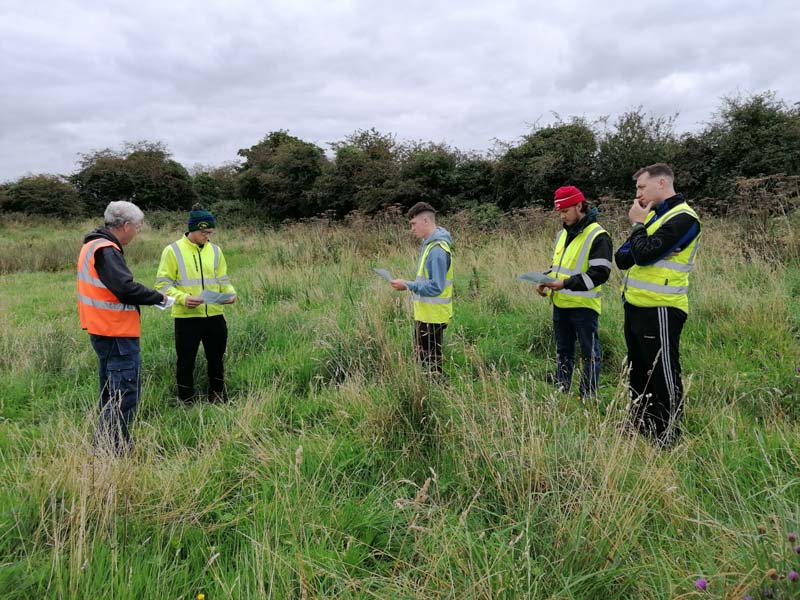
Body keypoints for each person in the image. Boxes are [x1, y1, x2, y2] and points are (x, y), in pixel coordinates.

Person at [614, 163, 701, 447]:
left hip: (662, 307)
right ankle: (641, 424)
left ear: (661, 183)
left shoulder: (684, 218)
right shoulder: (655, 217)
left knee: (662, 370)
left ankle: (667, 434)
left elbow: (644, 254)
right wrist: (647, 239)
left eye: (641, 187)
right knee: (638, 370)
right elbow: (624, 257)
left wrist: (639, 227)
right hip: (636, 304)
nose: (637, 194)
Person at [77, 200, 166, 454]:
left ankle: (106, 446)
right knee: (123, 394)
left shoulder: (92, 245)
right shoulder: (106, 250)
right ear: (125, 225)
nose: (138, 232)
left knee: (110, 393)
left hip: (102, 330)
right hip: (116, 333)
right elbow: (126, 288)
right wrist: (160, 298)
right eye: (137, 227)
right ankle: (111, 451)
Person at [536, 186, 612, 397]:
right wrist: (546, 279)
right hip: (560, 303)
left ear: (580, 206)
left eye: (566, 211)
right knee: (563, 351)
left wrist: (565, 283)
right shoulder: (562, 233)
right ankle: (562, 389)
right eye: (559, 212)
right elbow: (558, 265)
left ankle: (587, 395)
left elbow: (600, 273)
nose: (562, 216)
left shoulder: (599, 236)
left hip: (584, 306)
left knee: (590, 354)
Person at [155, 206, 236, 403]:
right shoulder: (172, 251)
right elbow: (162, 285)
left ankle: (217, 396)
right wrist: (182, 298)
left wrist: (230, 293)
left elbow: (223, 280)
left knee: (216, 359)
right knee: (185, 362)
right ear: (192, 229)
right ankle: (186, 400)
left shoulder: (216, 251)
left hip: (215, 315)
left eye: (210, 232)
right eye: (204, 232)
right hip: (187, 318)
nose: (207, 236)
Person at [390, 202, 454, 375]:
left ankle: (437, 395)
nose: (412, 228)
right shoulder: (429, 246)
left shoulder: (437, 251)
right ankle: (431, 393)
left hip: (433, 317)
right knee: (425, 361)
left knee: (431, 365)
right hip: (426, 314)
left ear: (425, 220)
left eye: (413, 223)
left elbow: (436, 287)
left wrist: (408, 285)